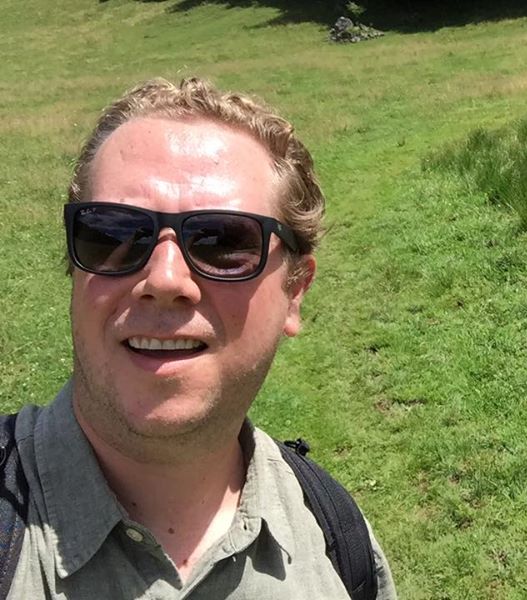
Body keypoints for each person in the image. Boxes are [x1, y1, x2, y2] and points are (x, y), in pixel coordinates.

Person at [6, 77, 397, 599]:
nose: (165, 280)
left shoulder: (336, 540)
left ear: (295, 292)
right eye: (115, 233)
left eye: (222, 241)